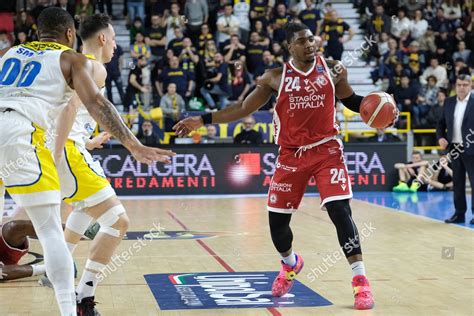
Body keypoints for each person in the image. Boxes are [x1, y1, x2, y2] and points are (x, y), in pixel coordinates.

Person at [174, 22, 398, 310]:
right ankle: (290, 264)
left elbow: (352, 100)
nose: (310, 43)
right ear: (290, 46)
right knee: (278, 226)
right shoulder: (274, 78)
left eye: (311, 38)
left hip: (327, 149)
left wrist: (381, 108)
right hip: (291, 154)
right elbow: (243, 109)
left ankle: (361, 283)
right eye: (302, 41)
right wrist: (202, 120)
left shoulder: (334, 69)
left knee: (340, 210)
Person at [0, 7, 173, 315]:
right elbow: (86, 106)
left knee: (75, 212)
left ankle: (60, 269)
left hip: (21, 131)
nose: (116, 46)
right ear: (70, 34)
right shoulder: (79, 62)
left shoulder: (12, 52)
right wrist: (133, 145)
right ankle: (78, 301)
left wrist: (85, 141)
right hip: (32, 138)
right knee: (104, 222)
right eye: (114, 41)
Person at [437, 74, 474, 224]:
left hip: (472, 149)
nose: (462, 88)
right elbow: (440, 124)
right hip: (455, 149)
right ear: (455, 86)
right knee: (457, 182)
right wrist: (440, 137)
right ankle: (459, 214)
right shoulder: (449, 102)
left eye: (465, 85)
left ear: (471, 86)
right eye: (459, 85)